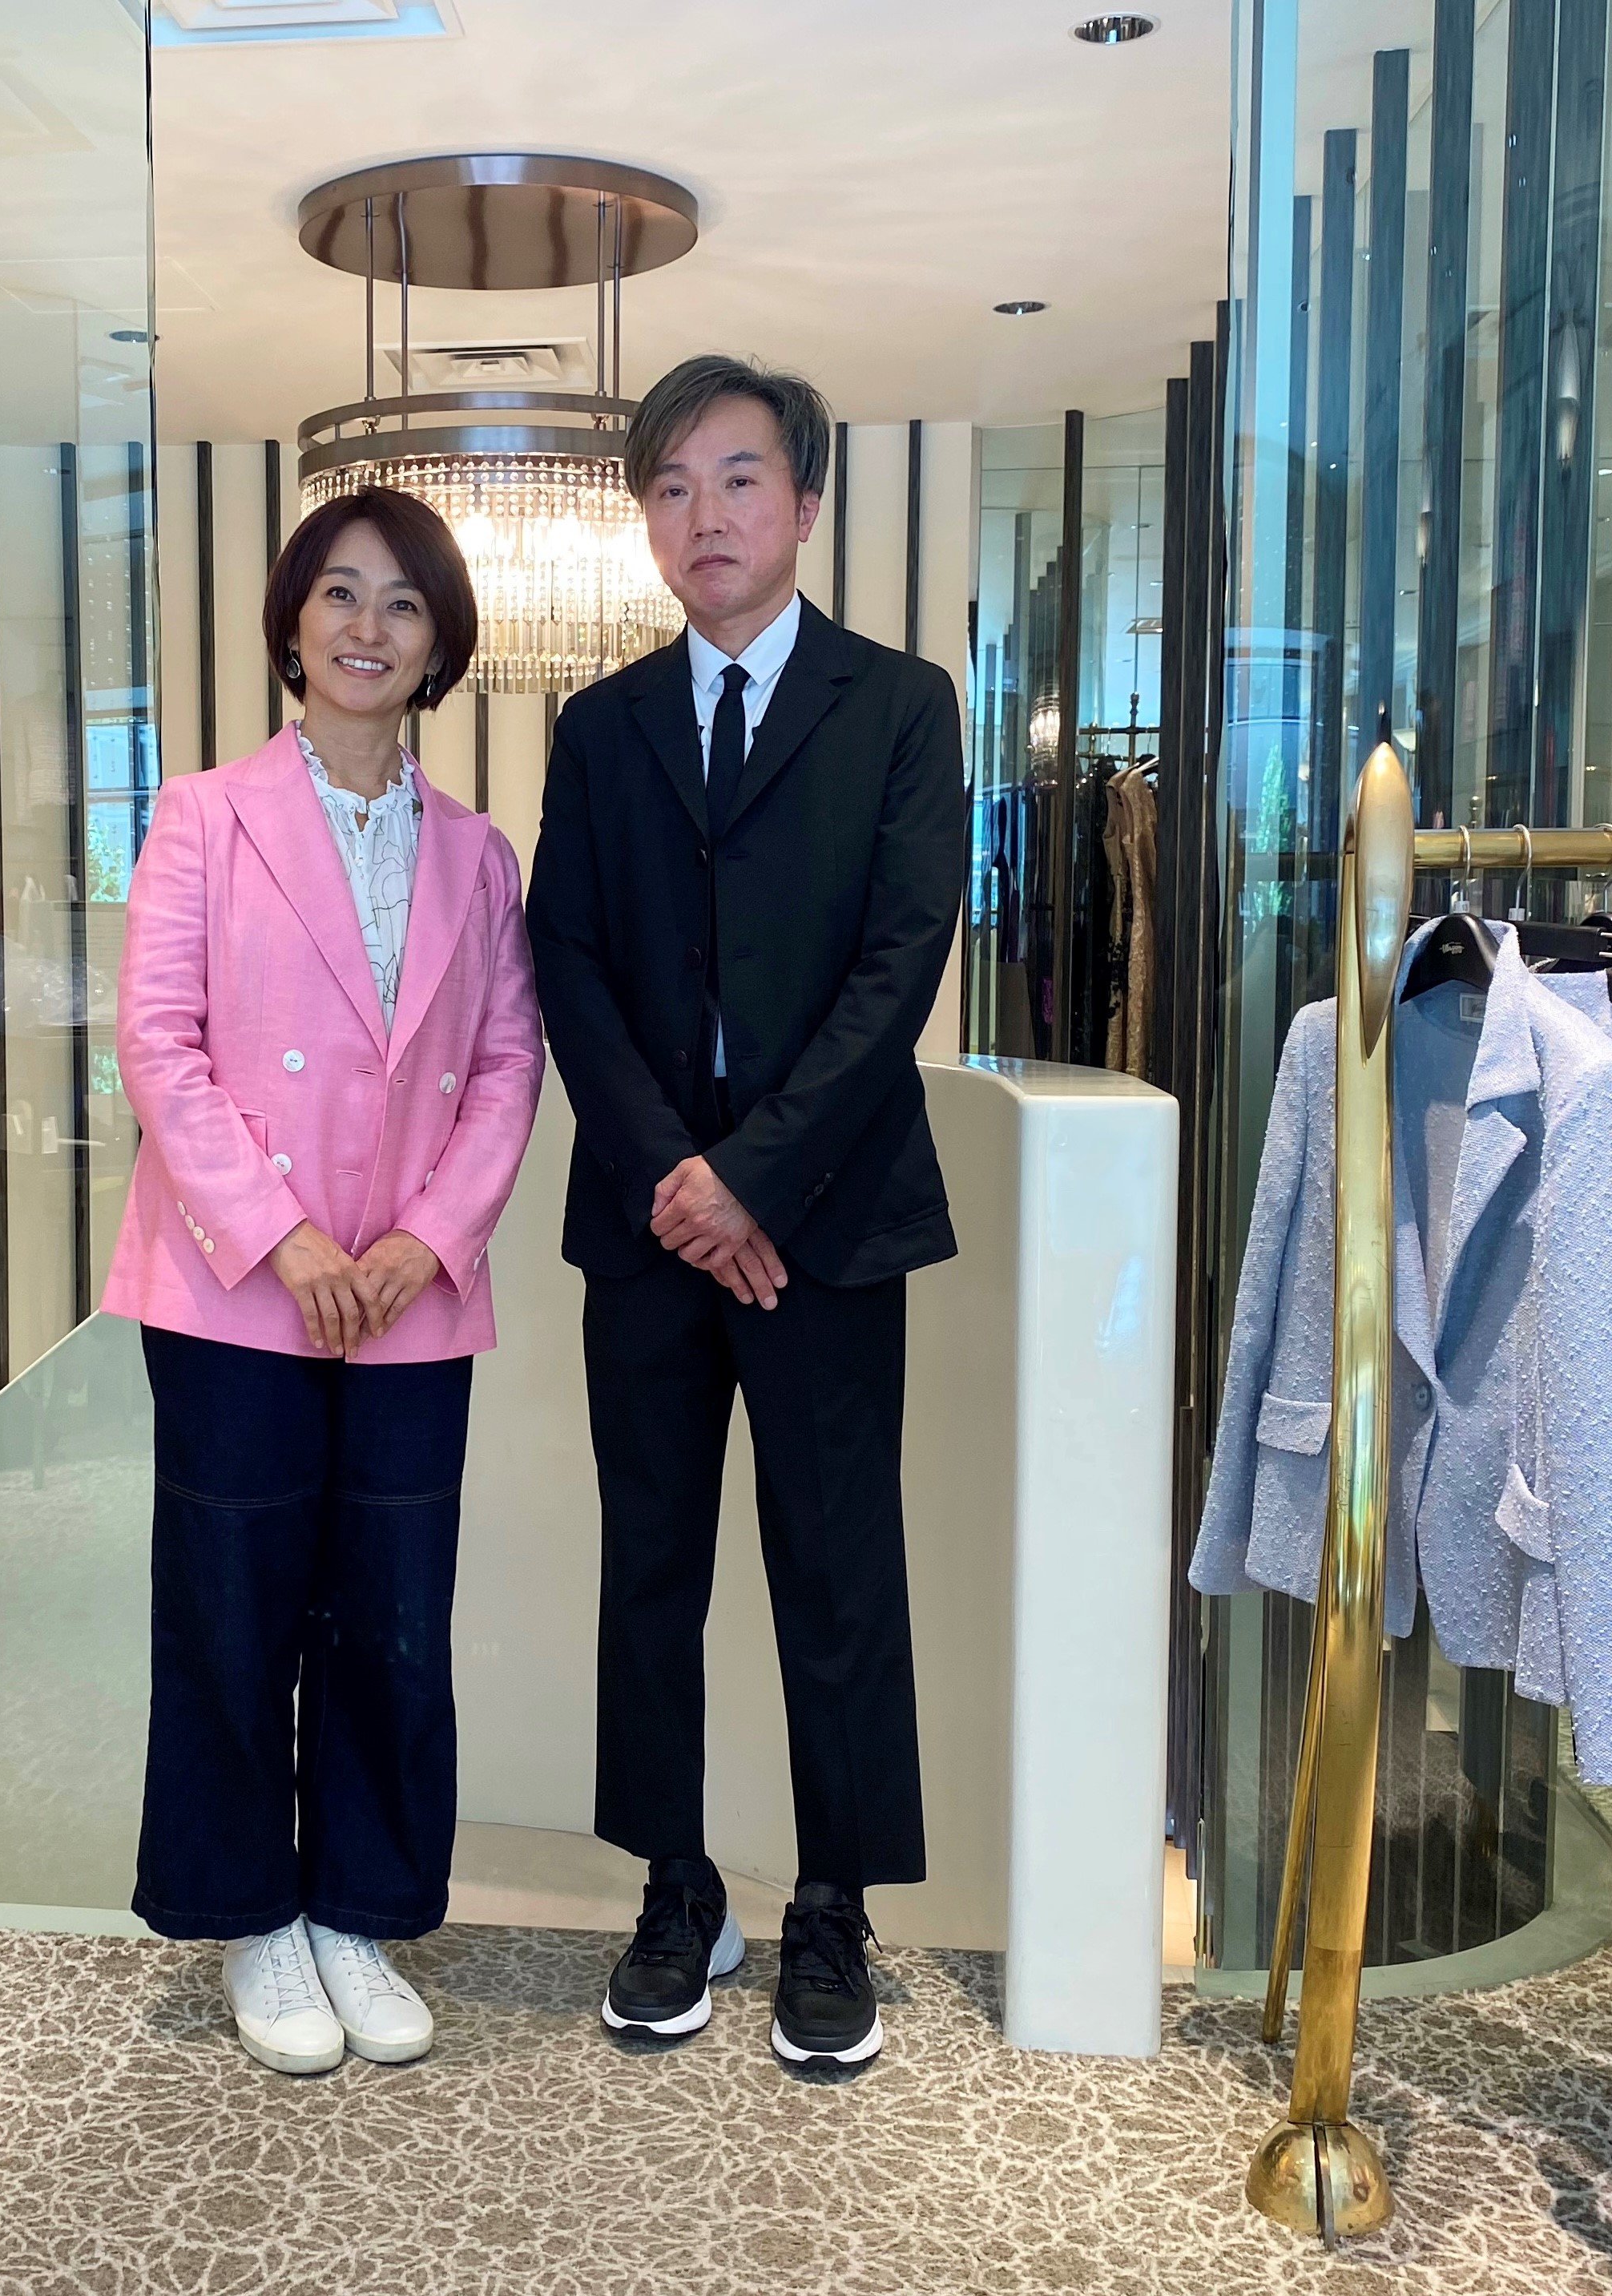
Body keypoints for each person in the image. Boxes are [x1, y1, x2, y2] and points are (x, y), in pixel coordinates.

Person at [528, 355, 965, 2070]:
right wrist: (679, 1180)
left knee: (835, 1569)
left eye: (735, 478)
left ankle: (833, 1901)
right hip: (650, 1220)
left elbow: (899, 960)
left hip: (827, 1216)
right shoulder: (601, 726)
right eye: (668, 487)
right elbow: (566, 959)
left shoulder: (899, 704)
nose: (701, 514)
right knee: (651, 1563)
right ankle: (674, 1884)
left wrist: (754, 1176)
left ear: (803, 502)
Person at [104, 486, 544, 2076]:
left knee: (392, 1612)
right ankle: (251, 1912)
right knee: (235, 1601)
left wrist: (424, 1240)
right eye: (340, 593)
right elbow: (158, 1040)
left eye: (403, 602)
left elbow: (509, 1059)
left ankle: (357, 1903)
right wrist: (283, 1236)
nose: (368, 626)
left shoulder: (479, 853)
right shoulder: (203, 814)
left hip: (410, 1295)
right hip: (239, 1282)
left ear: (440, 644)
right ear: (292, 623)